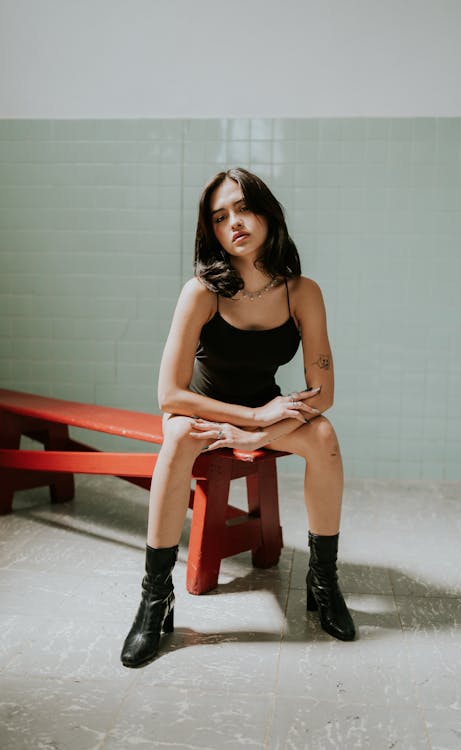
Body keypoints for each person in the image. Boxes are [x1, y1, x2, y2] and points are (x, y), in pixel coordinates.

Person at [120, 167, 356, 668]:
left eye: (243, 209)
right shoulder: (201, 291)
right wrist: (246, 417)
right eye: (220, 217)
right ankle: (154, 598)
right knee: (180, 436)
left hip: (259, 415)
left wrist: (256, 429)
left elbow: (324, 391)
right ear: (213, 231)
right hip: (202, 409)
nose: (234, 223)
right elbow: (170, 394)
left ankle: (323, 580)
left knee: (325, 436)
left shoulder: (302, 292)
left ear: (268, 213)